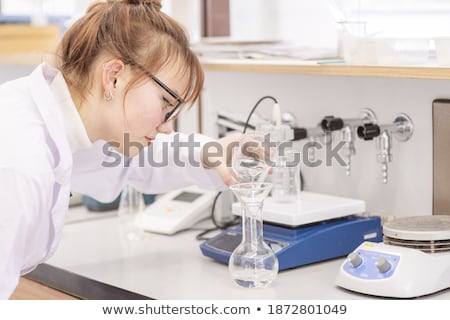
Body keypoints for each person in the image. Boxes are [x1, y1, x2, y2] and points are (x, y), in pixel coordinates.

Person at [0, 0, 239, 299]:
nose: (167, 127)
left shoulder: (57, 119)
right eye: (166, 104)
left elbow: (132, 158)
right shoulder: (20, 162)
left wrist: (207, 151)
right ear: (113, 76)